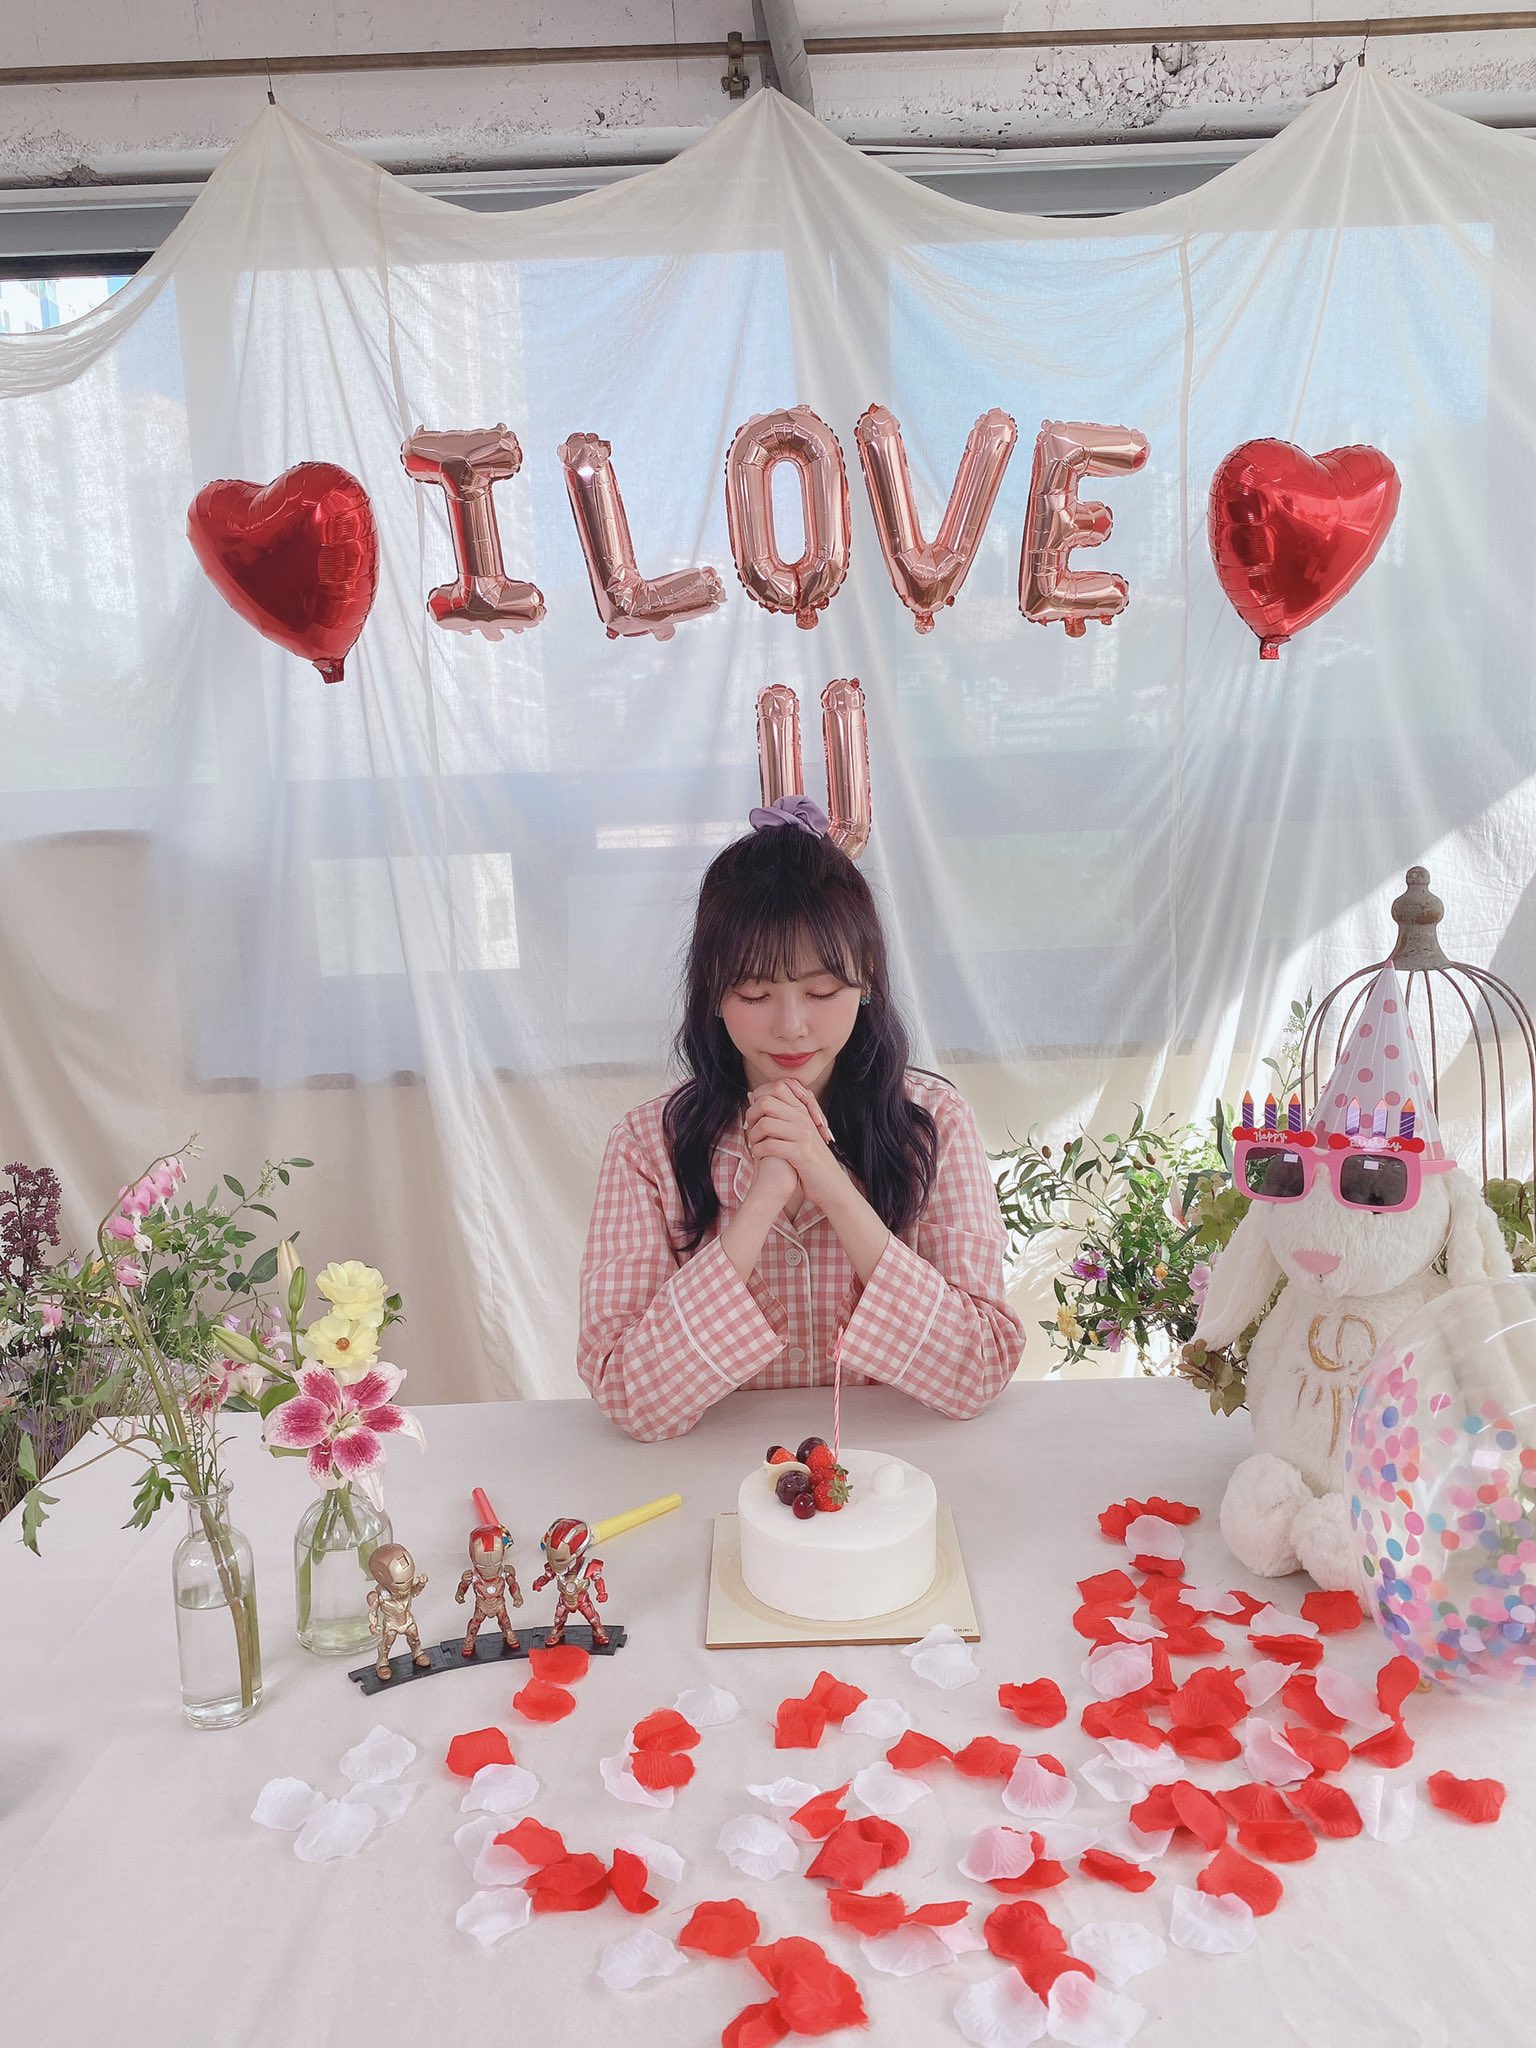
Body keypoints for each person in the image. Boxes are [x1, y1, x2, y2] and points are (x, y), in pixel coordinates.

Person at [577, 793, 1026, 1440]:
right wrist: (762, 1201)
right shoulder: (648, 1146)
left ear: (867, 981)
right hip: (716, 1474)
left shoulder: (934, 1122)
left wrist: (830, 1183)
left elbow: (975, 1371)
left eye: (821, 990)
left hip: (892, 1471)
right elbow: (630, 1397)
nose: (791, 1026)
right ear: (712, 993)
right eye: (755, 992)